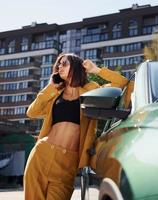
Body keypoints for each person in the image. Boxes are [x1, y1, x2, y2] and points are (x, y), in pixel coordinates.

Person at [24, 53, 129, 200]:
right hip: (42, 153)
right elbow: (31, 112)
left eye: (64, 64)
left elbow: (123, 83)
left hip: (68, 162)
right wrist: (51, 87)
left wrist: (96, 70)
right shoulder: (55, 94)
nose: (60, 66)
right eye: (58, 64)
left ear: (75, 67)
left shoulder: (91, 90)